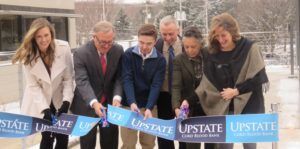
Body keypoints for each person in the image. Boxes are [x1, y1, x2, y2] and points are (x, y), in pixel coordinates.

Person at [195, 13, 269, 149]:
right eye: (217, 36)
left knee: (250, 146)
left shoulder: (250, 48)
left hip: (249, 106)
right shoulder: (211, 53)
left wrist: (237, 91)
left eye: (224, 35)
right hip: (224, 108)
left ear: (233, 32)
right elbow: (207, 82)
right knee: (224, 146)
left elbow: (260, 78)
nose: (220, 40)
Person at [12, 18, 74, 149]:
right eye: (39, 36)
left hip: (60, 98)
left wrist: (66, 102)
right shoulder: (28, 55)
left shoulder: (63, 48)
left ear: (51, 34)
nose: (43, 39)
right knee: (47, 135)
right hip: (41, 100)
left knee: (63, 136)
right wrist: (45, 109)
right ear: (33, 37)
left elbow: (68, 79)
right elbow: (33, 85)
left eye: (46, 35)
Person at [70, 21, 123, 149]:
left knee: (110, 143)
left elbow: (119, 77)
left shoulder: (118, 50)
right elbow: (82, 81)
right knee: (87, 144)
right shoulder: (81, 53)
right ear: (93, 37)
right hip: (87, 107)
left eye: (110, 42)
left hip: (110, 106)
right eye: (102, 42)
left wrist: (117, 97)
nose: (106, 46)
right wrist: (93, 102)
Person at [121, 24, 166, 149]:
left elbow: (156, 85)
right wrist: (132, 102)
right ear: (137, 38)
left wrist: (149, 107)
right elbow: (127, 79)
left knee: (148, 143)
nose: (144, 47)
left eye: (149, 43)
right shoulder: (128, 54)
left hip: (149, 106)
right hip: (129, 105)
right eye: (141, 42)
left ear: (155, 42)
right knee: (128, 144)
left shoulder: (160, 60)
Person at [172, 26, 217, 149]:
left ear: (200, 44)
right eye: (186, 47)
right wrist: (176, 107)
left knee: (212, 144)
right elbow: (176, 86)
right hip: (190, 109)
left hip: (210, 107)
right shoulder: (179, 60)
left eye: (193, 47)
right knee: (192, 145)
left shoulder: (210, 55)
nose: (189, 50)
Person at [154, 15, 184, 149]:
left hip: (183, 97)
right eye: (164, 34)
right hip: (163, 96)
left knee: (185, 133)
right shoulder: (156, 46)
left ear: (178, 30)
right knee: (164, 135)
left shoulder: (186, 45)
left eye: (171, 34)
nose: (167, 37)